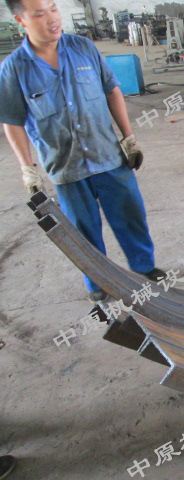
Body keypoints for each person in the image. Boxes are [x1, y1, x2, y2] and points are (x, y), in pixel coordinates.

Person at [0, 0, 165, 302]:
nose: (52, 18)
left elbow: (112, 90)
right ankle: (98, 282)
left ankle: (144, 267)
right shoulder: (14, 68)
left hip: (109, 156)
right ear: (21, 21)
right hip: (66, 167)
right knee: (84, 230)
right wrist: (27, 168)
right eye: (40, 14)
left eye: (53, 8)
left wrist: (128, 138)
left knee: (131, 216)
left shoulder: (83, 48)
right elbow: (12, 122)